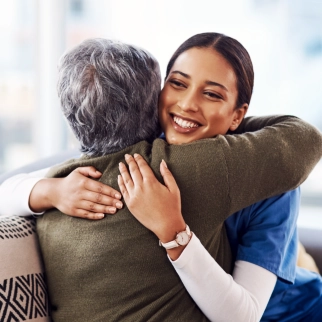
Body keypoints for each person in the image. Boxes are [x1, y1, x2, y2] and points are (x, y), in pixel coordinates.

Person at [0, 34, 321, 321]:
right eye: (178, 84)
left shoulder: (274, 176)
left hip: (290, 309)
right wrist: (51, 191)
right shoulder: (139, 154)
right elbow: (10, 190)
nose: (187, 103)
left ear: (238, 114)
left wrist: (174, 232)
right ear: (157, 92)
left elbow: (245, 315)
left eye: (212, 94)